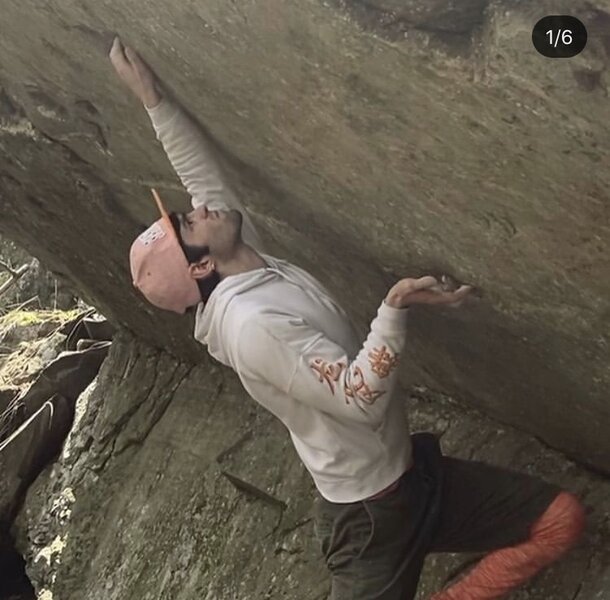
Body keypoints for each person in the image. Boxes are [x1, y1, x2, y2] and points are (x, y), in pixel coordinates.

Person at [109, 38, 586, 600]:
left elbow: (203, 180)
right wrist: (394, 308)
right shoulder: (250, 324)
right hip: (369, 518)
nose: (201, 208)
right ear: (203, 263)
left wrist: (153, 100)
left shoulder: (240, 262)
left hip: (413, 479)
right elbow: (360, 401)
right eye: (191, 222)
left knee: (562, 519)